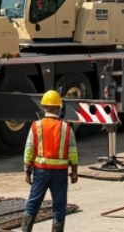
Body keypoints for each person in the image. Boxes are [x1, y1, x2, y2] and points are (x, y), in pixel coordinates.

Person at [23, 89, 78, 232]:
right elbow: (73, 151)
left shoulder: (36, 126)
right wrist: (74, 172)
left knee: (33, 202)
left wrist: (27, 171)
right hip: (60, 173)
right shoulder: (66, 128)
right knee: (59, 205)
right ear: (59, 108)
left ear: (43, 107)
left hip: (40, 172)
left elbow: (29, 149)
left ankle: (25, 230)